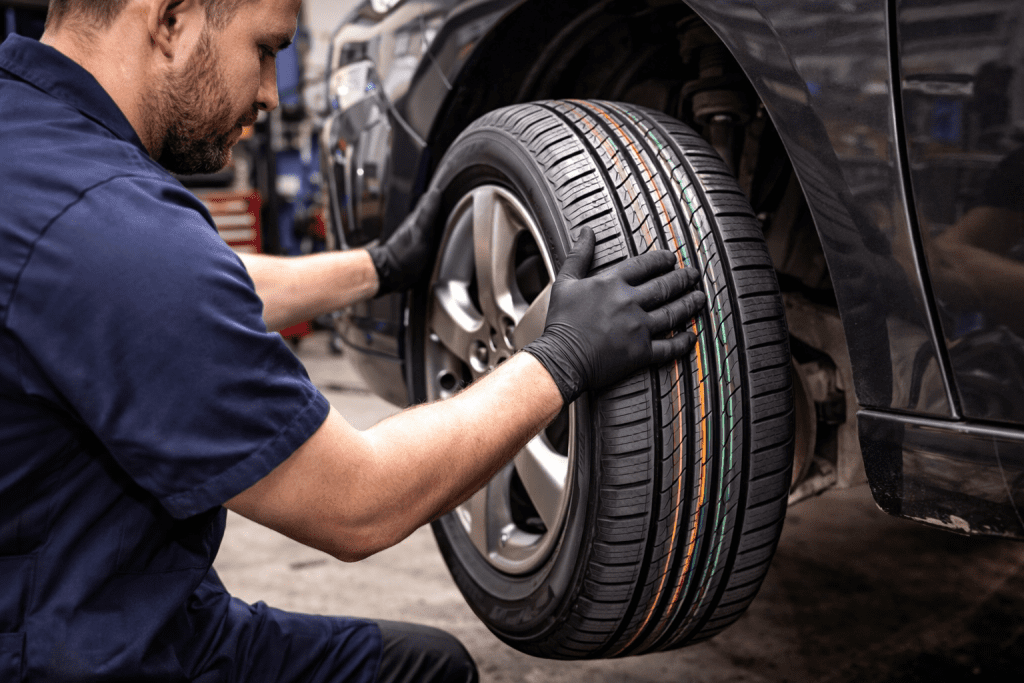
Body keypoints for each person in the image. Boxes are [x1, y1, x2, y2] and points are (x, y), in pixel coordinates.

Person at [0, 0, 706, 681]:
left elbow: (177, 292)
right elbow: (359, 502)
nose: (273, 94)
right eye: (267, 49)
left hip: (75, 600)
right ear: (172, 17)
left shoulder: (34, 145)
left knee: (427, 662)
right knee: (431, 670)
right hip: (85, 650)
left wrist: (382, 265)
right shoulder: (114, 229)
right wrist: (558, 360)